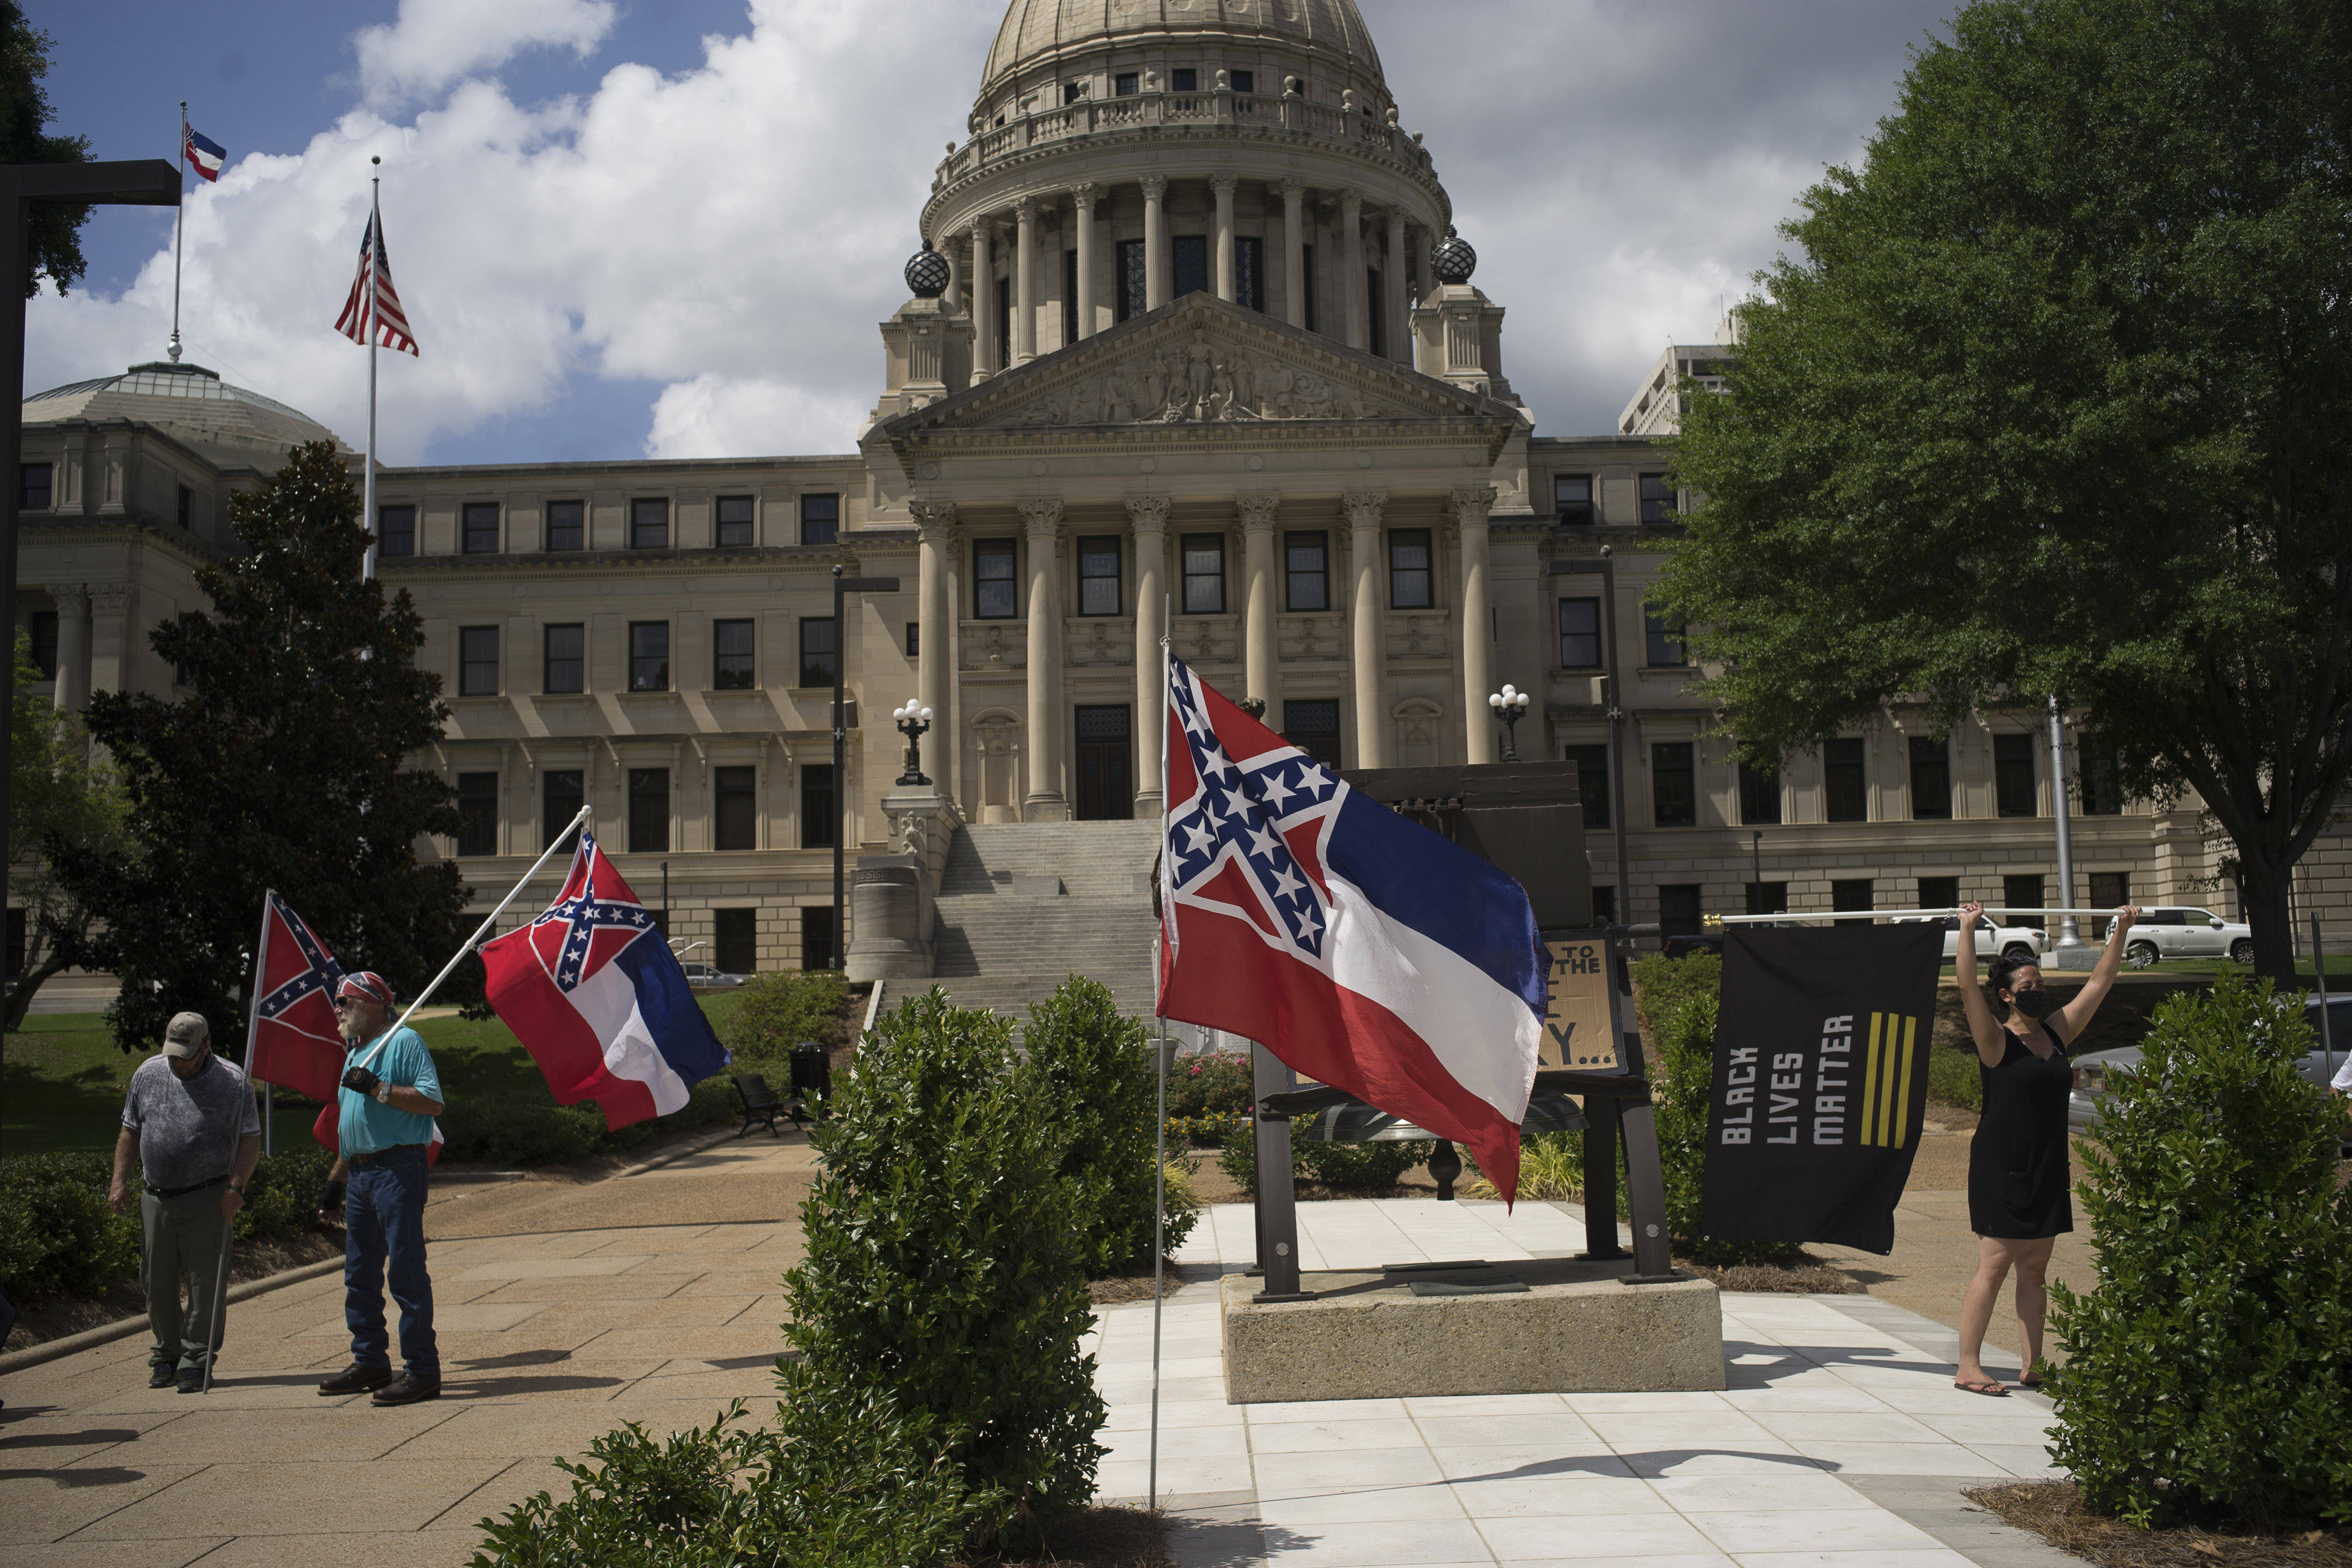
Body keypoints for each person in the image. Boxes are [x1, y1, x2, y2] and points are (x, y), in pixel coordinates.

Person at [1950, 900, 2140, 1396]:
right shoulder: (1994, 1040)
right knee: (1993, 1266)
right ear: (2008, 997)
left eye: (2040, 984)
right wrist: (1967, 928)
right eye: (2027, 988)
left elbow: (2099, 984)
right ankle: (1968, 1366)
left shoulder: (2057, 1032)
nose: (2037, 992)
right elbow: (1967, 986)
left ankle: (2033, 1366)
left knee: (2036, 1268)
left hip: (2048, 1166)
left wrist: (2121, 929)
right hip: (2002, 1168)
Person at [109, 1012, 260, 1394]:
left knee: (205, 1285)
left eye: (186, 1055)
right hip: (156, 1196)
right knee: (155, 1282)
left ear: (206, 1046)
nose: (178, 1062)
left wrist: (236, 1189)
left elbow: (249, 1139)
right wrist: (119, 1182)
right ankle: (166, 1354)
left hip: (208, 1196)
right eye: (173, 1053)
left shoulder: (232, 1082)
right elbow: (130, 1129)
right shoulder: (148, 1073)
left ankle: (197, 1359)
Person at [313, 971, 445, 1406]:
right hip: (362, 1174)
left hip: (397, 1170)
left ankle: (422, 1370)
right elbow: (356, 1129)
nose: (337, 1009)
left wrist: (379, 1088)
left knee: (405, 1271)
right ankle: (370, 1360)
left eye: (344, 1002)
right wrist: (336, 1181)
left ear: (372, 1004)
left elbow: (431, 1102)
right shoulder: (357, 1053)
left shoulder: (404, 1042)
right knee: (359, 1275)